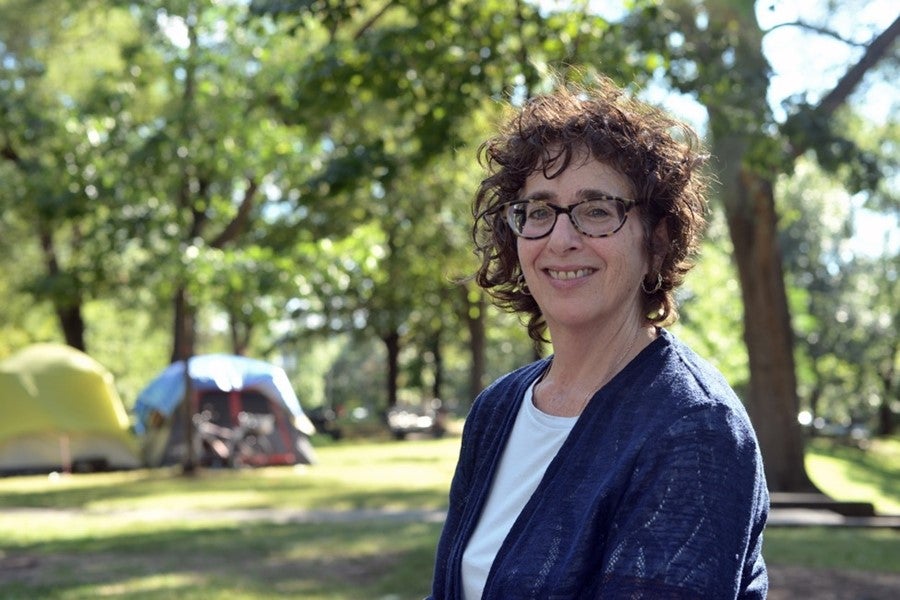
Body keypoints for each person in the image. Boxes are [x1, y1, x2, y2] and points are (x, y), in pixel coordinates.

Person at [428, 76, 769, 599]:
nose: (561, 239)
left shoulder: (694, 427)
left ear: (656, 242)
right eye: (538, 211)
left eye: (596, 211)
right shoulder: (496, 410)